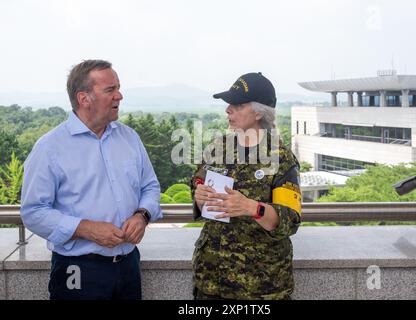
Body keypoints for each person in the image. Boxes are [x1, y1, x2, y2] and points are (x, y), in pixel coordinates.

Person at [20, 60, 162, 300]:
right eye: (110, 90)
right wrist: (86, 229)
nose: (120, 95)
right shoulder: (49, 148)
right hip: (78, 269)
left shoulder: (129, 138)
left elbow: (150, 186)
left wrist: (142, 215)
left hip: (128, 265)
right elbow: (33, 212)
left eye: (118, 87)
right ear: (84, 98)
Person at [191, 72, 302, 300]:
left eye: (238, 105)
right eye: (229, 104)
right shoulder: (218, 148)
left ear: (260, 112)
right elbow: (198, 181)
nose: (228, 110)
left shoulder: (281, 158)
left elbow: (289, 220)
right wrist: (199, 195)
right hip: (211, 281)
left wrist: (252, 208)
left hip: (260, 287)